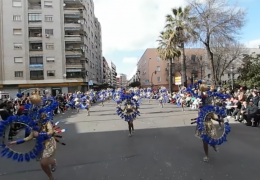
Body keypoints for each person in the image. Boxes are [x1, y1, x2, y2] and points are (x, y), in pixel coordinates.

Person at [8, 113, 57, 180]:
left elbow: (51, 132)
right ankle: (50, 177)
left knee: (43, 161)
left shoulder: (46, 122)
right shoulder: (33, 127)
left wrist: (40, 134)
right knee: (42, 164)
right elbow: (28, 138)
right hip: (40, 145)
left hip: (49, 143)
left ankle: (53, 162)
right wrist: (16, 142)